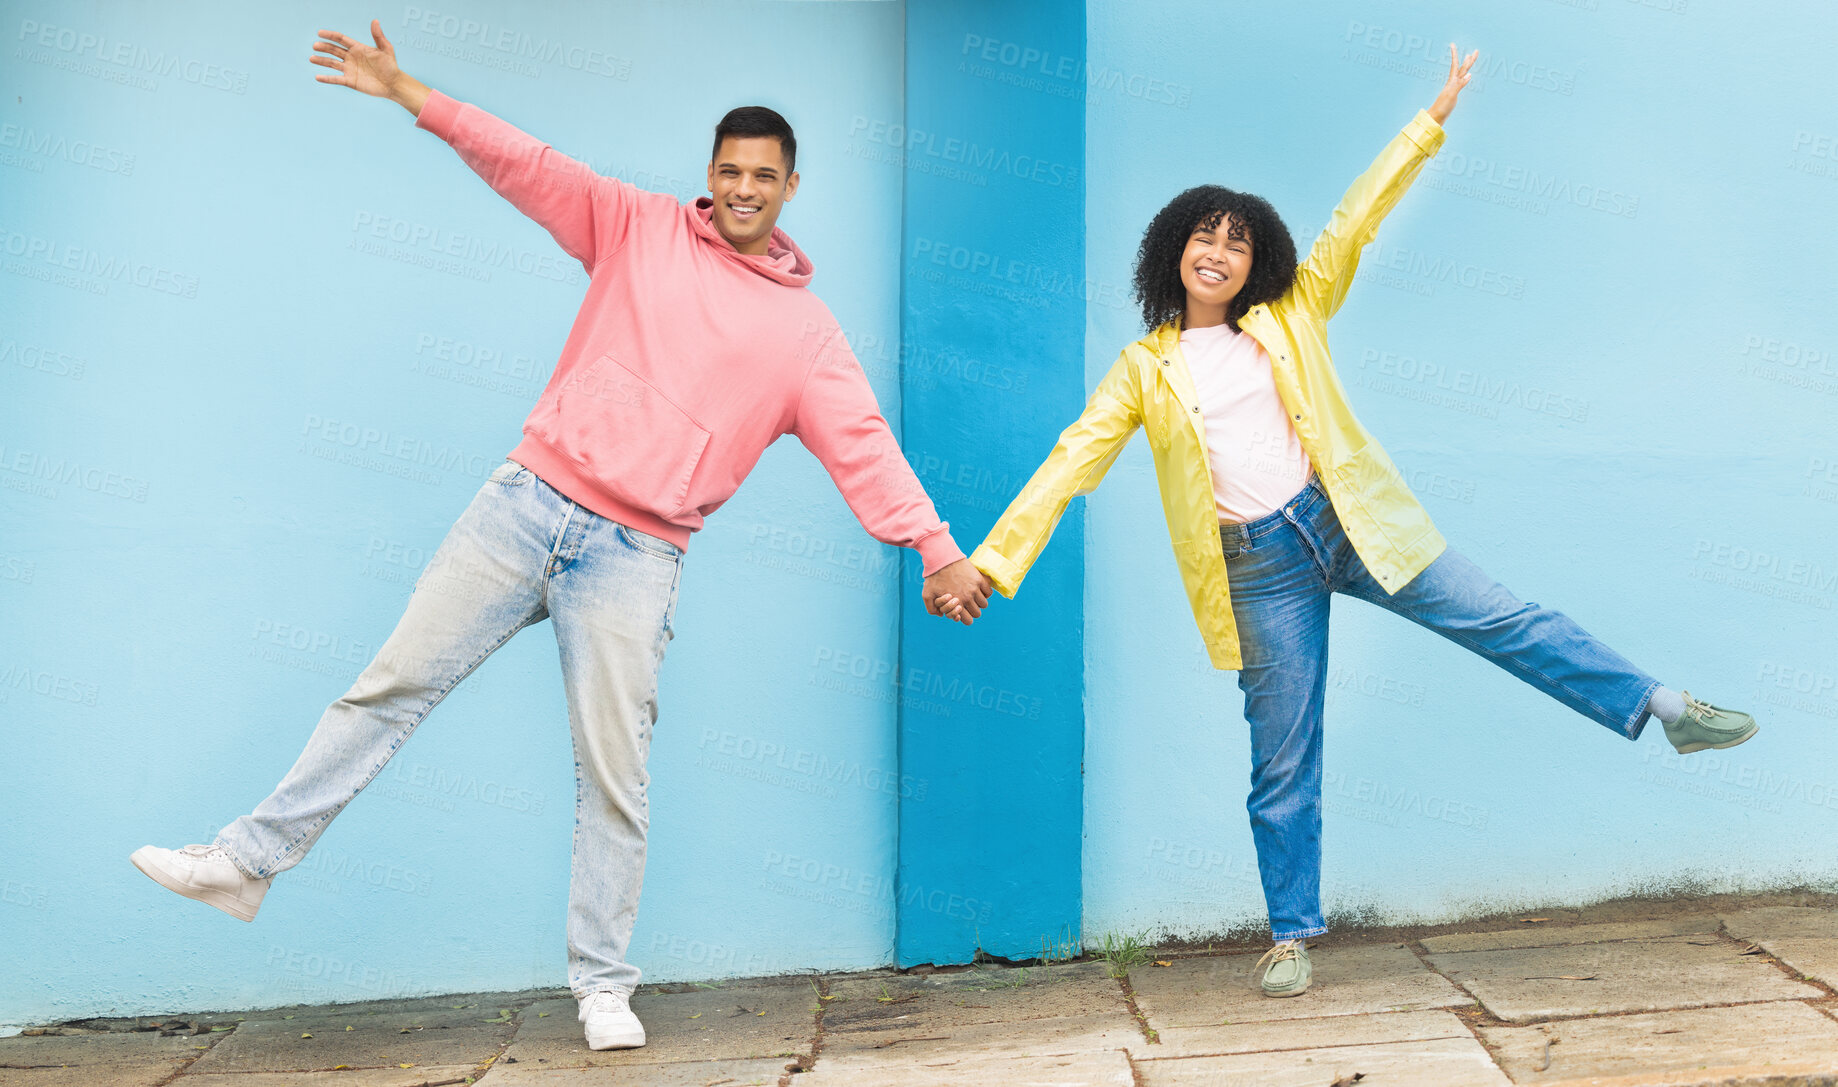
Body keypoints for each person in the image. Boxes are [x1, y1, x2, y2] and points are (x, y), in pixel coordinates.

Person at [130, 19, 993, 1052]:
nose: (743, 189)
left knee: (613, 773)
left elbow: (863, 445)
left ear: (791, 186)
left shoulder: (805, 336)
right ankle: (242, 863)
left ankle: (601, 985)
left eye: (763, 175)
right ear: (708, 176)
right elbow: (525, 164)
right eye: (728, 171)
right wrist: (409, 92)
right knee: (387, 685)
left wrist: (934, 546)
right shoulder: (634, 227)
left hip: (635, 556)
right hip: (524, 502)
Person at [941, 43, 1757, 999]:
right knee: (1282, 749)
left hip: (1350, 521)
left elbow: (1353, 220)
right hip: (1256, 567)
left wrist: (1432, 118)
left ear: (1258, 261)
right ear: (1174, 252)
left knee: (1503, 617)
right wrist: (990, 563)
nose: (1219, 251)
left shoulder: (1291, 312)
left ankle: (1664, 705)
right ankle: (1289, 933)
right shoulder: (1143, 367)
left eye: (1238, 240)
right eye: (1203, 235)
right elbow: (1071, 459)